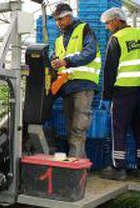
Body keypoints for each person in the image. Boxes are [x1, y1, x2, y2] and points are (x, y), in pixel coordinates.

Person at [51, 3, 102, 158]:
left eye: (60, 19)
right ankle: (80, 163)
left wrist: (66, 61)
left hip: (84, 84)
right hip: (67, 86)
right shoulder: (59, 39)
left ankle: (75, 162)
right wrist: (53, 60)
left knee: (78, 127)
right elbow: (54, 56)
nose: (58, 23)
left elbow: (90, 52)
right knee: (71, 127)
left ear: (68, 16)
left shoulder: (84, 30)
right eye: (56, 20)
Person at [100, 8, 140, 181]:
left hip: (124, 92)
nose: (108, 27)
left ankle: (119, 168)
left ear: (117, 21)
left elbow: (109, 71)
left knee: (119, 129)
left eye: (108, 23)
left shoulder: (116, 39)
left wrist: (106, 97)